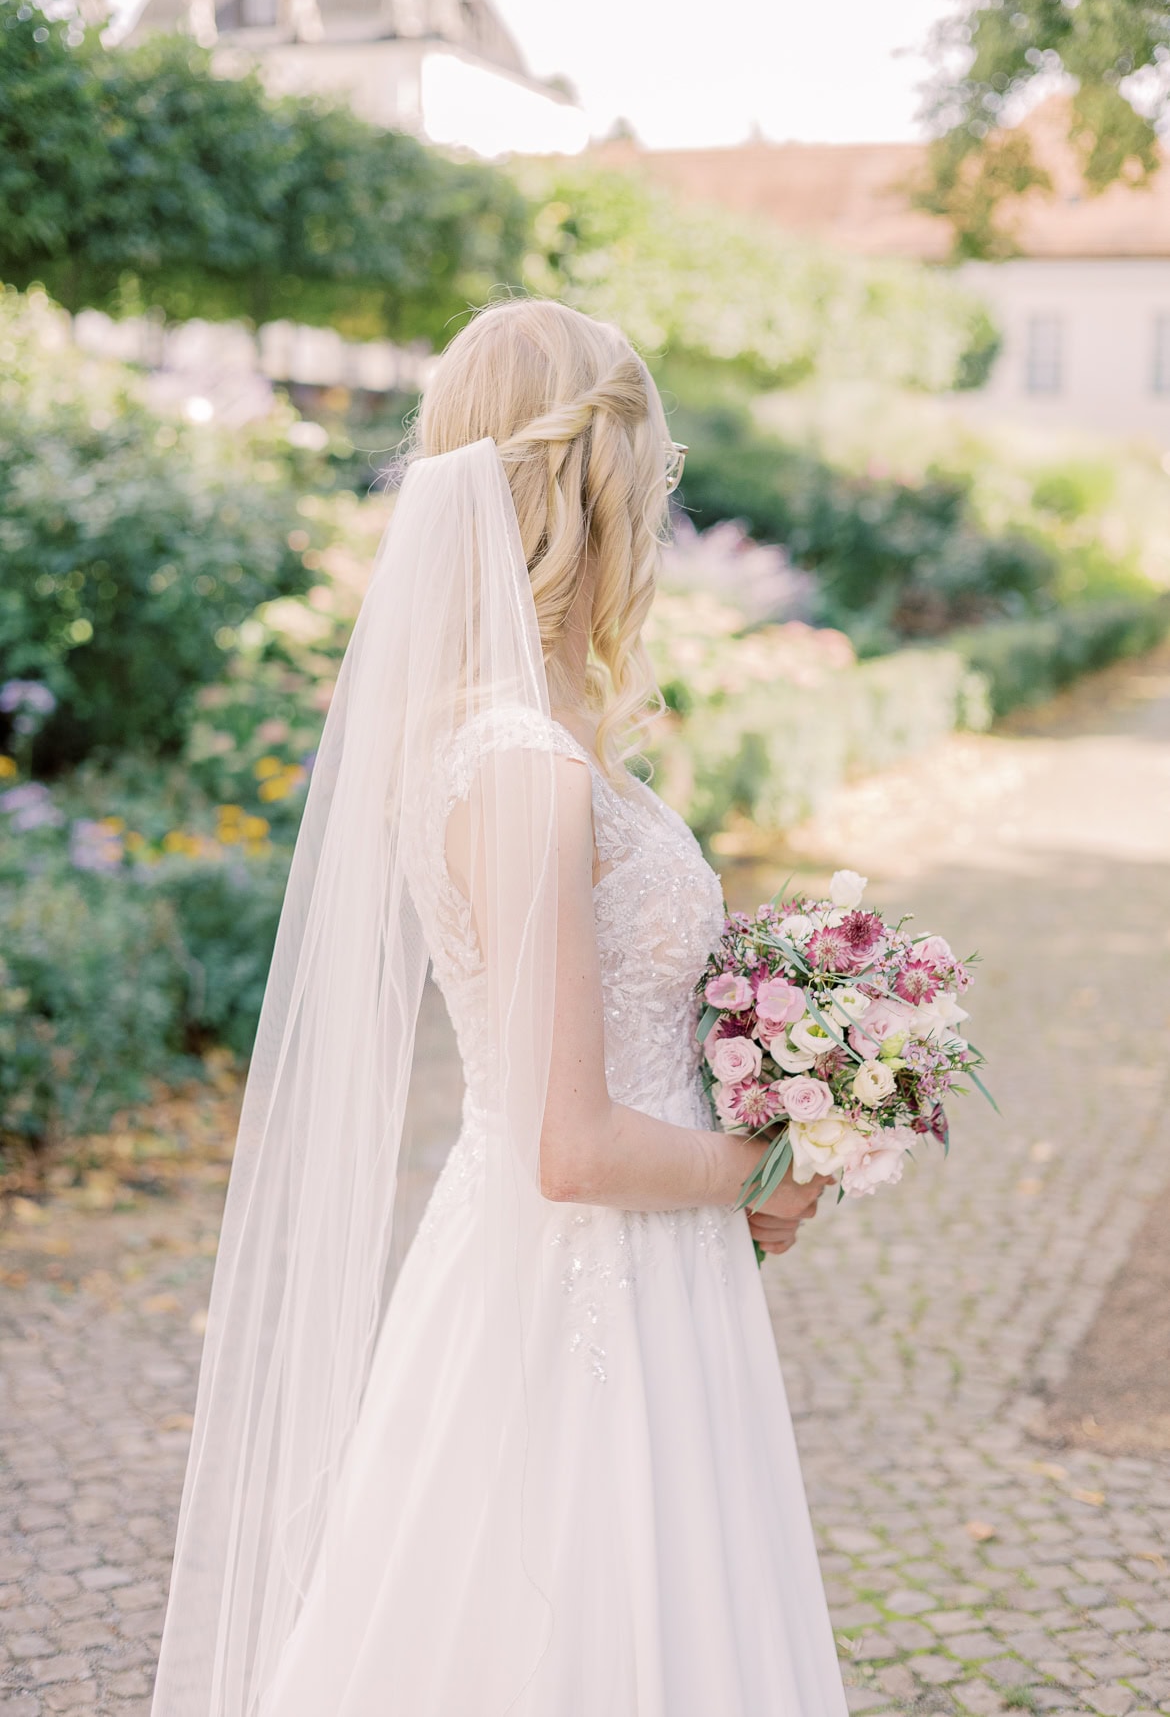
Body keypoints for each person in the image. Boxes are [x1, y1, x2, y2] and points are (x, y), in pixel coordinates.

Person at [150, 298, 849, 1717]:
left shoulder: (497, 740)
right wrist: (780, 1161)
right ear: (597, 496)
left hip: (604, 1274)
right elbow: (571, 1143)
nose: (653, 521)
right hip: (584, 1282)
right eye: (646, 487)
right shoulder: (522, 769)